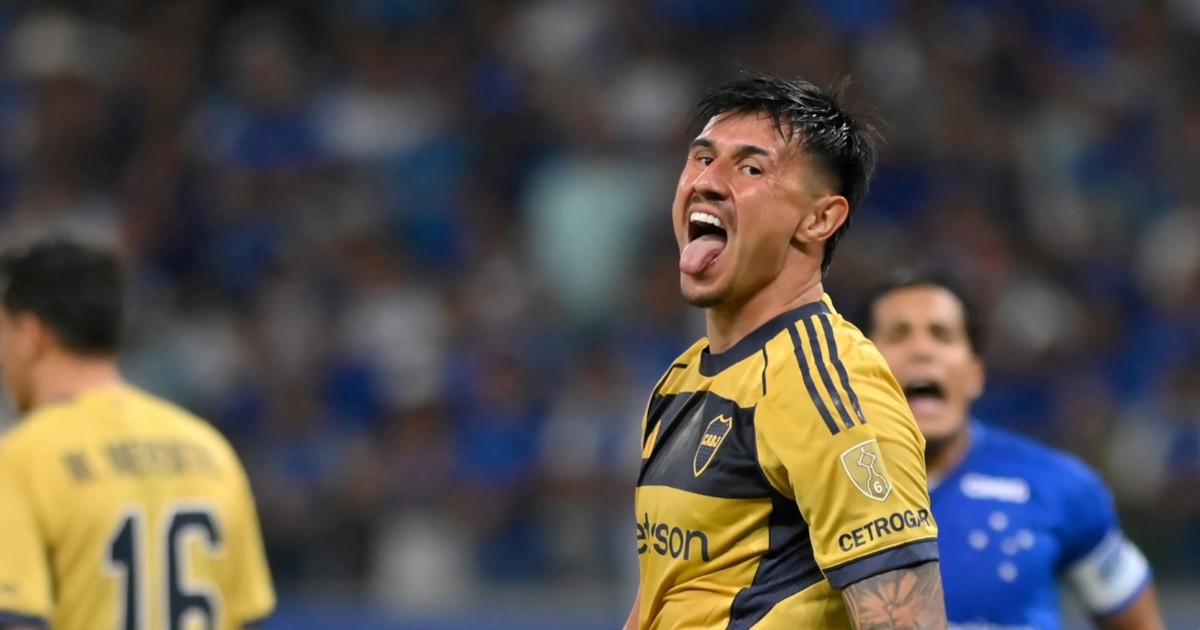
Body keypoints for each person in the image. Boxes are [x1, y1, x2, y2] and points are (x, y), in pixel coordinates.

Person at [625, 73, 947, 629]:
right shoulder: (683, 378)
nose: (708, 182)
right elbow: (665, 596)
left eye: (750, 169)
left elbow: (907, 619)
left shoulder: (829, 384)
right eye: (703, 159)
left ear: (820, 219)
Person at [857, 267, 1165, 629]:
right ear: (860, 370)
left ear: (975, 374)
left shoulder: (1058, 486)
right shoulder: (809, 493)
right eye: (899, 334)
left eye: (942, 335)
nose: (922, 350)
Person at [0, 239, 275, 629]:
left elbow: (16, 621)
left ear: (30, 334)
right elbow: (249, 619)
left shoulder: (22, 459)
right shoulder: (210, 450)